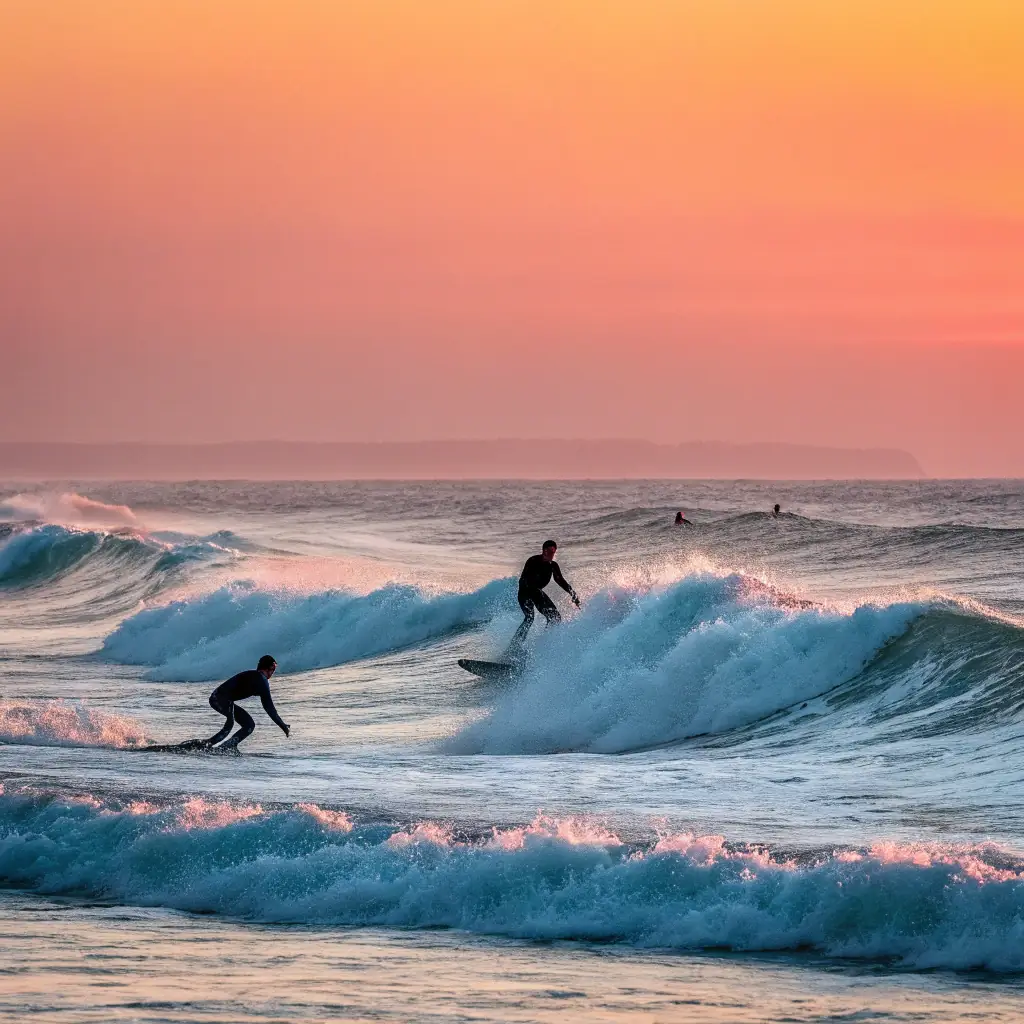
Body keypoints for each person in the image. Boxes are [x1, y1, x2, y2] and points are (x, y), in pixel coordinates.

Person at [202, 654, 290, 750]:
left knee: (248, 724)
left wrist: (282, 724)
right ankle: (216, 747)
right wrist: (283, 725)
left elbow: (268, 707)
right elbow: (269, 708)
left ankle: (222, 746)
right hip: (220, 699)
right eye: (274, 669)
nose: (273, 673)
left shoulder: (255, 676)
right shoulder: (262, 680)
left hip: (220, 699)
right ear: (271, 667)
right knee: (233, 726)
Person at [511, 540, 580, 645]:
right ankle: (515, 644)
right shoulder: (533, 560)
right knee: (529, 618)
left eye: (553, 552)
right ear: (543, 550)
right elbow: (523, 580)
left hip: (536, 593)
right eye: (549, 551)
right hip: (525, 592)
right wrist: (533, 592)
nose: (551, 554)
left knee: (555, 617)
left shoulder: (553, 566)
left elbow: (560, 581)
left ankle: (544, 643)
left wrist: (573, 594)